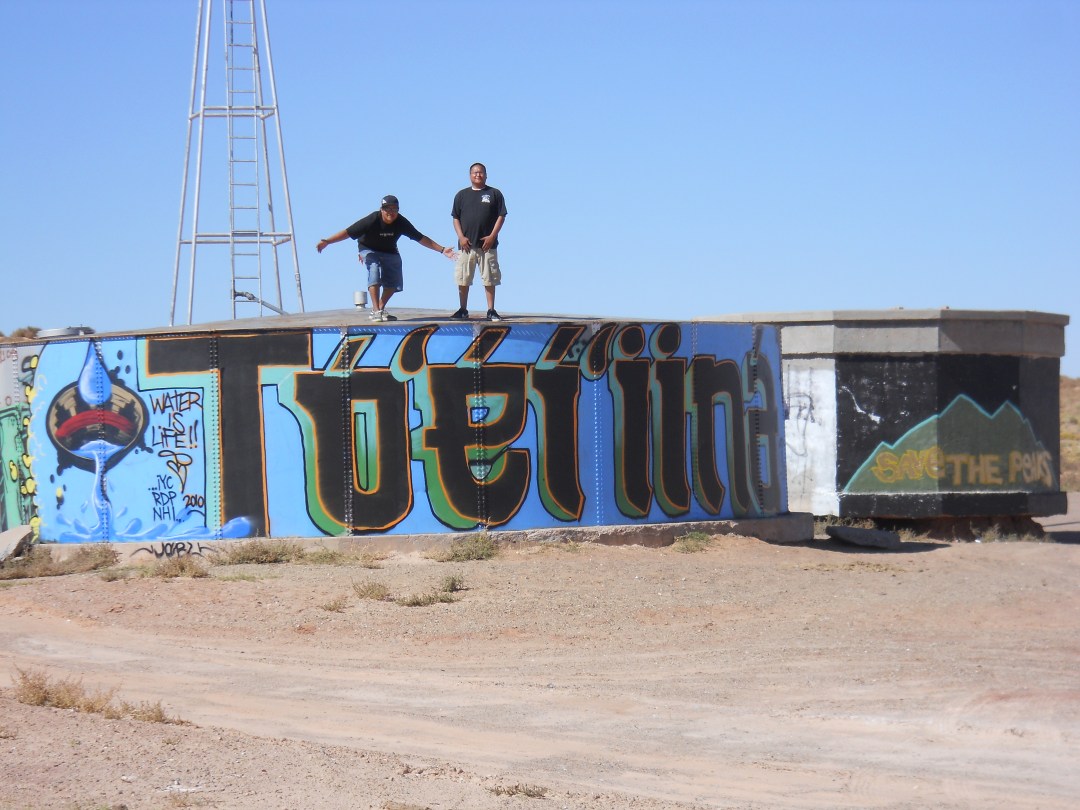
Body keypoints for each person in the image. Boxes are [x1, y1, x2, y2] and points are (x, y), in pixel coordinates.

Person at [317, 195, 455, 321]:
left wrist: (442, 250)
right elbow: (348, 232)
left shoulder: (401, 222)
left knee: (394, 282)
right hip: (368, 248)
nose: (390, 213)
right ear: (381, 210)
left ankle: (379, 308)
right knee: (374, 269)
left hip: (390, 250)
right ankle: (376, 310)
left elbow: (420, 237)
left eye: (394, 209)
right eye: (387, 209)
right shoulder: (372, 219)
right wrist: (327, 241)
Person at [450, 163, 507, 321]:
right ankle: (462, 309)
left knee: (490, 278)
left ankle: (491, 310)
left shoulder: (494, 193)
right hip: (466, 245)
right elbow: (455, 218)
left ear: (486, 175)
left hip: (487, 246)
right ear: (470, 175)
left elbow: (501, 216)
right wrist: (461, 237)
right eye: (474, 172)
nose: (478, 175)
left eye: (481, 172)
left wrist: (492, 236)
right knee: (463, 278)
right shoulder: (461, 195)